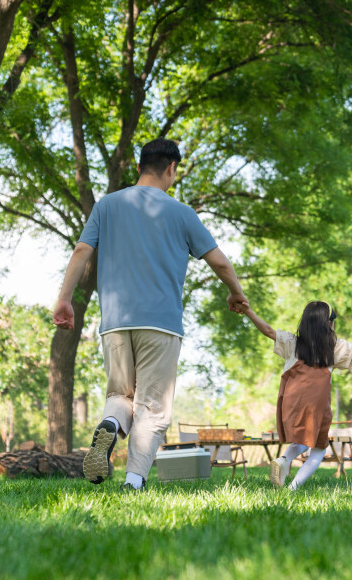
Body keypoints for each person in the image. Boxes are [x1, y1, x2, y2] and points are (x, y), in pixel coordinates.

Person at [53, 138, 248, 491]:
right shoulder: (182, 213)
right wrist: (237, 293)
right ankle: (134, 481)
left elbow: (82, 250)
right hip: (160, 323)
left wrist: (64, 299)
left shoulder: (107, 205)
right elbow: (219, 261)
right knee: (152, 408)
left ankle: (111, 424)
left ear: (140, 166)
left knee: (120, 396)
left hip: (115, 323)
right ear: (171, 168)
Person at [241, 301, 352, 490]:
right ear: (328, 323)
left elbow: (268, 331)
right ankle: (293, 487)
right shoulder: (333, 347)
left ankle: (284, 459)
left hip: (291, 399)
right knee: (319, 449)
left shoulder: (293, 343)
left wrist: (248, 311)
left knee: (304, 438)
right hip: (316, 403)